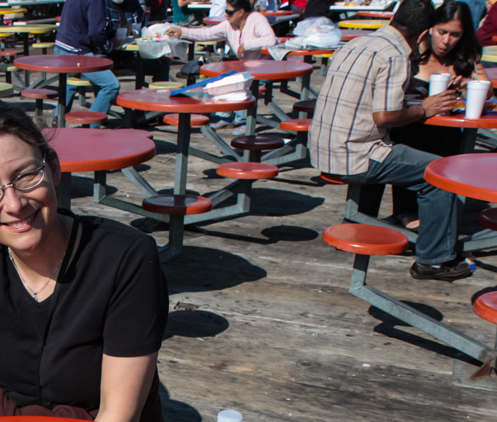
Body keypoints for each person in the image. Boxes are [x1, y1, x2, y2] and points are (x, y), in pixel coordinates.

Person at [0, 99, 169, 422]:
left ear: (54, 169)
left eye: (26, 176)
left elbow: (118, 418)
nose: (14, 204)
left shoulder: (126, 258)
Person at [309, 0, 472, 281]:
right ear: (423, 35)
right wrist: (425, 109)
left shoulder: (359, 42)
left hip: (323, 148)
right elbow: (384, 117)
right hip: (355, 154)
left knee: (400, 148)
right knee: (439, 173)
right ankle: (433, 260)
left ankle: (360, 221)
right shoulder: (395, 54)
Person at [391, 0, 493, 227]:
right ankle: (407, 212)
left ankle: (440, 215)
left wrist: (470, 83)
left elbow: (488, 91)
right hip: (409, 126)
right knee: (411, 143)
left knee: (452, 148)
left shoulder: (467, 54)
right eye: (442, 32)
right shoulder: (414, 50)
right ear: (431, 28)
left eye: (455, 35)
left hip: (448, 131)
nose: (446, 41)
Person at [166, 0, 277, 131]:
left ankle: (244, 121)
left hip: (265, 69)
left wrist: (246, 45)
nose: (226, 15)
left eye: (229, 12)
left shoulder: (256, 19)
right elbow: (207, 33)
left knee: (239, 82)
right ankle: (227, 116)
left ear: (241, 12)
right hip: (245, 68)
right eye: (225, 11)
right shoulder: (229, 25)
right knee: (221, 79)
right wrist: (181, 32)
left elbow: (271, 39)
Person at [54, 0, 121, 125]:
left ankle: (58, 117)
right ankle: (90, 125)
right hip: (77, 52)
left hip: (61, 45)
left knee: (70, 80)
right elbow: (96, 32)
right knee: (111, 85)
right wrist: (108, 46)